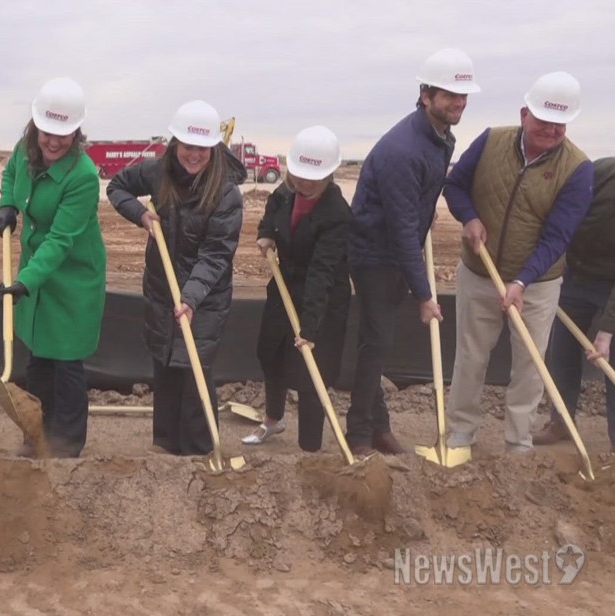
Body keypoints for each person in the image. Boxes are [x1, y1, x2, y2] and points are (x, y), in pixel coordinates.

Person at [444, 71, 594, 453]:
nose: (551, 130)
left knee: (530, 365)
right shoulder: (491, 139)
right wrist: (469, 218)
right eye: (544, 120)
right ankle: (462, 431)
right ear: (525, 113)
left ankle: (518, 441)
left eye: (559, 124)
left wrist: (523, 281)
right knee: (470, 356)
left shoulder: (578, 168)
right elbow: (455, 184)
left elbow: (557, 237)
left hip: (539, 285)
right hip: (480, 272)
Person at [344, 48, 480, 457]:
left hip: (395, 248)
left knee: (379, 341)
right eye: (448, 95)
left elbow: (415, 210)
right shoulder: (403, 150)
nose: (457, 103)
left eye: (463, 96)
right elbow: (402, 230)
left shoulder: (442, 137)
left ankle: (378, 426)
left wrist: (425, 214)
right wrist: (425, 294)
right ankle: (359, 434)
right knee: (377, 340)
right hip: (373, 255)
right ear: (425, 95)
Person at [107, 100, 244, 456]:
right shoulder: (157, 171)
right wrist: (140, 214)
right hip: (161, 286)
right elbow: (117, 186)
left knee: (193, 366)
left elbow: (216, 253)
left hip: (206, 295)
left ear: (213, 148)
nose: (193, 155)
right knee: (165, 361)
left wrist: (192, 297)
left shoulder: (226, 192)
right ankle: (165, 444)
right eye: (187, 146)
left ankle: (200, 449)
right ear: (175, 143)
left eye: (201, 148)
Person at [0, 77, 105, 458]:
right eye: (47, 133)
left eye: (64, 134)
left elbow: (60, 240)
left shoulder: (84, 176)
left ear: (77, 131)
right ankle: (36, 434)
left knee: (66, 361)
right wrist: (7, 204)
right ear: (35, 126)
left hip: (72, 276)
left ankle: (67, 445)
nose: (54, 142)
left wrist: (25, 281)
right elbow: (10, 174)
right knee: (38, 356)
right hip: (36, 271)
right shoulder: (24, 151)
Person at [244, 126, 350, 452]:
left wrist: (310, 328)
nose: (303, 183)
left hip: (323, 298)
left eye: (311, 179)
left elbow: (321, 273)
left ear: (329, 174)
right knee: (270, 352)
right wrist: (266, 233)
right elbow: (273, 209)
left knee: (310, 371)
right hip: (284, 286)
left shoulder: (337, 214)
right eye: (298, 174)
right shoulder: (286, 190)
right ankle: (273, 420)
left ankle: (310, 449)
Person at [534, 140, 615, 455]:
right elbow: (563, 210)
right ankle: (561, 422)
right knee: (563, 348)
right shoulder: (602, 172)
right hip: (577, 273)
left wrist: (607, 331)